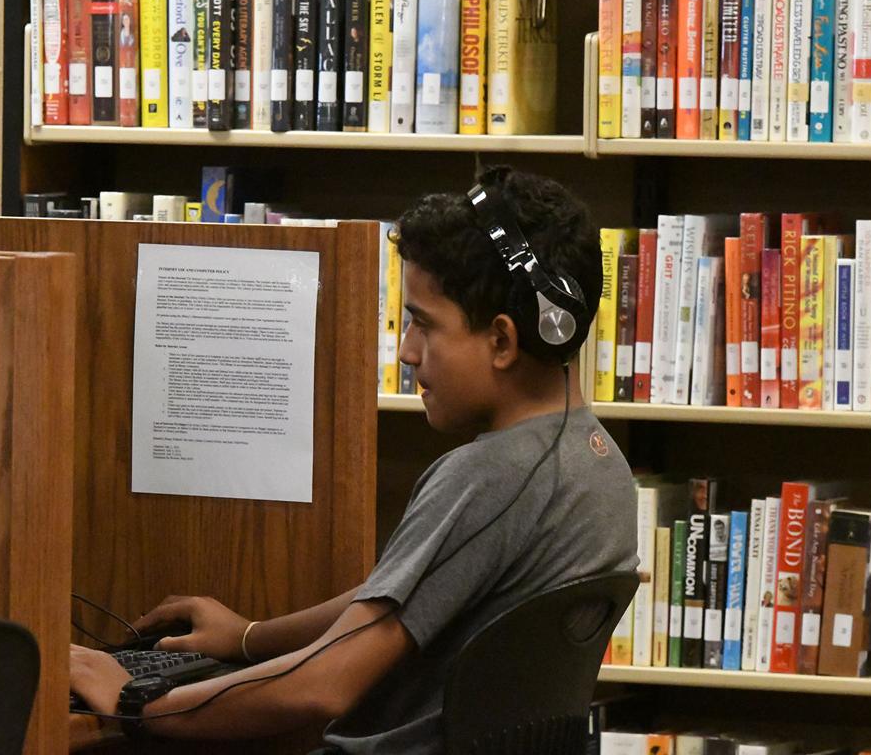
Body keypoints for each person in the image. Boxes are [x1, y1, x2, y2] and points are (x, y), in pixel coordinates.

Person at [69, 166, 638, 753]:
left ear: (501, 340)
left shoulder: (487, 479)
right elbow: (396, 597)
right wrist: (249, 638)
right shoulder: (594, 460)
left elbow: (324, 686)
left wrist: (136, 701)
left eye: (422, 323)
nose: (408, 351)